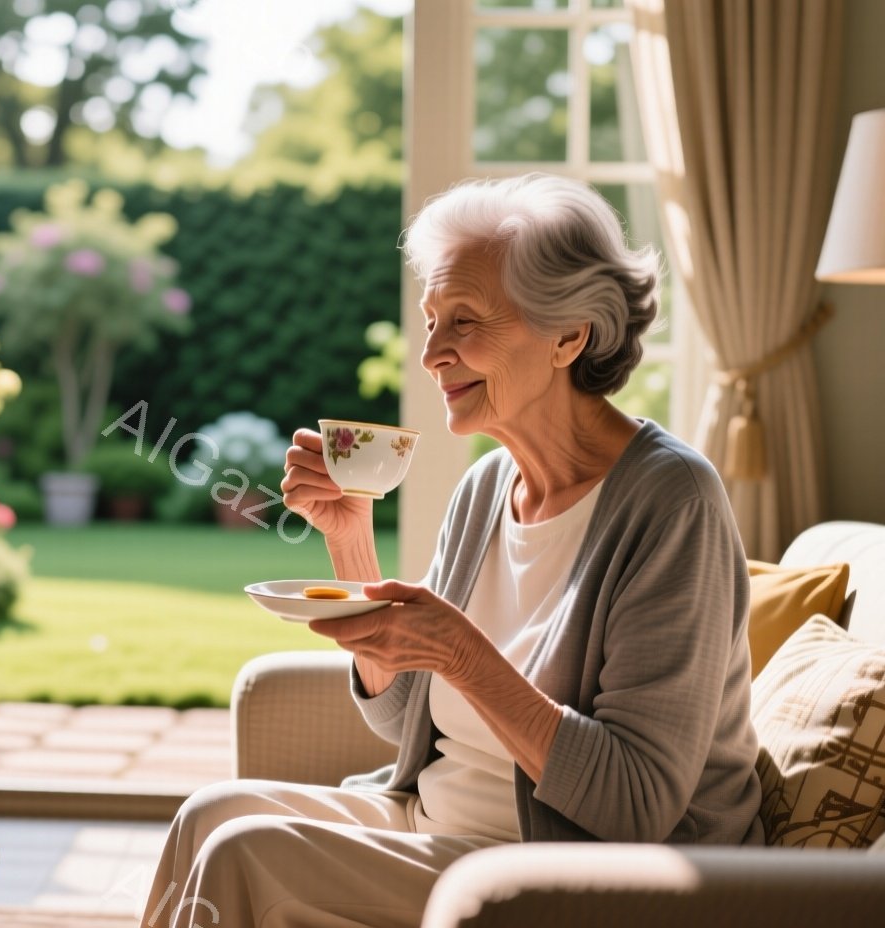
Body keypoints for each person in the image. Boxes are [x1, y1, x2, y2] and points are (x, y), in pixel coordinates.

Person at [141, 173, 766, 928]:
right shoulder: (491, 484)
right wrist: (349, 539)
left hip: (571, 872)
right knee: (210, 815)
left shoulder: (672, 502)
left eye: (464, 322)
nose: (433, 353)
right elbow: (404, 715)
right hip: (439, 827)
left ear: (570, 336)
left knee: (247, 853)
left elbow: (633, 804)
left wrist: (464, 654)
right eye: (431, 320)